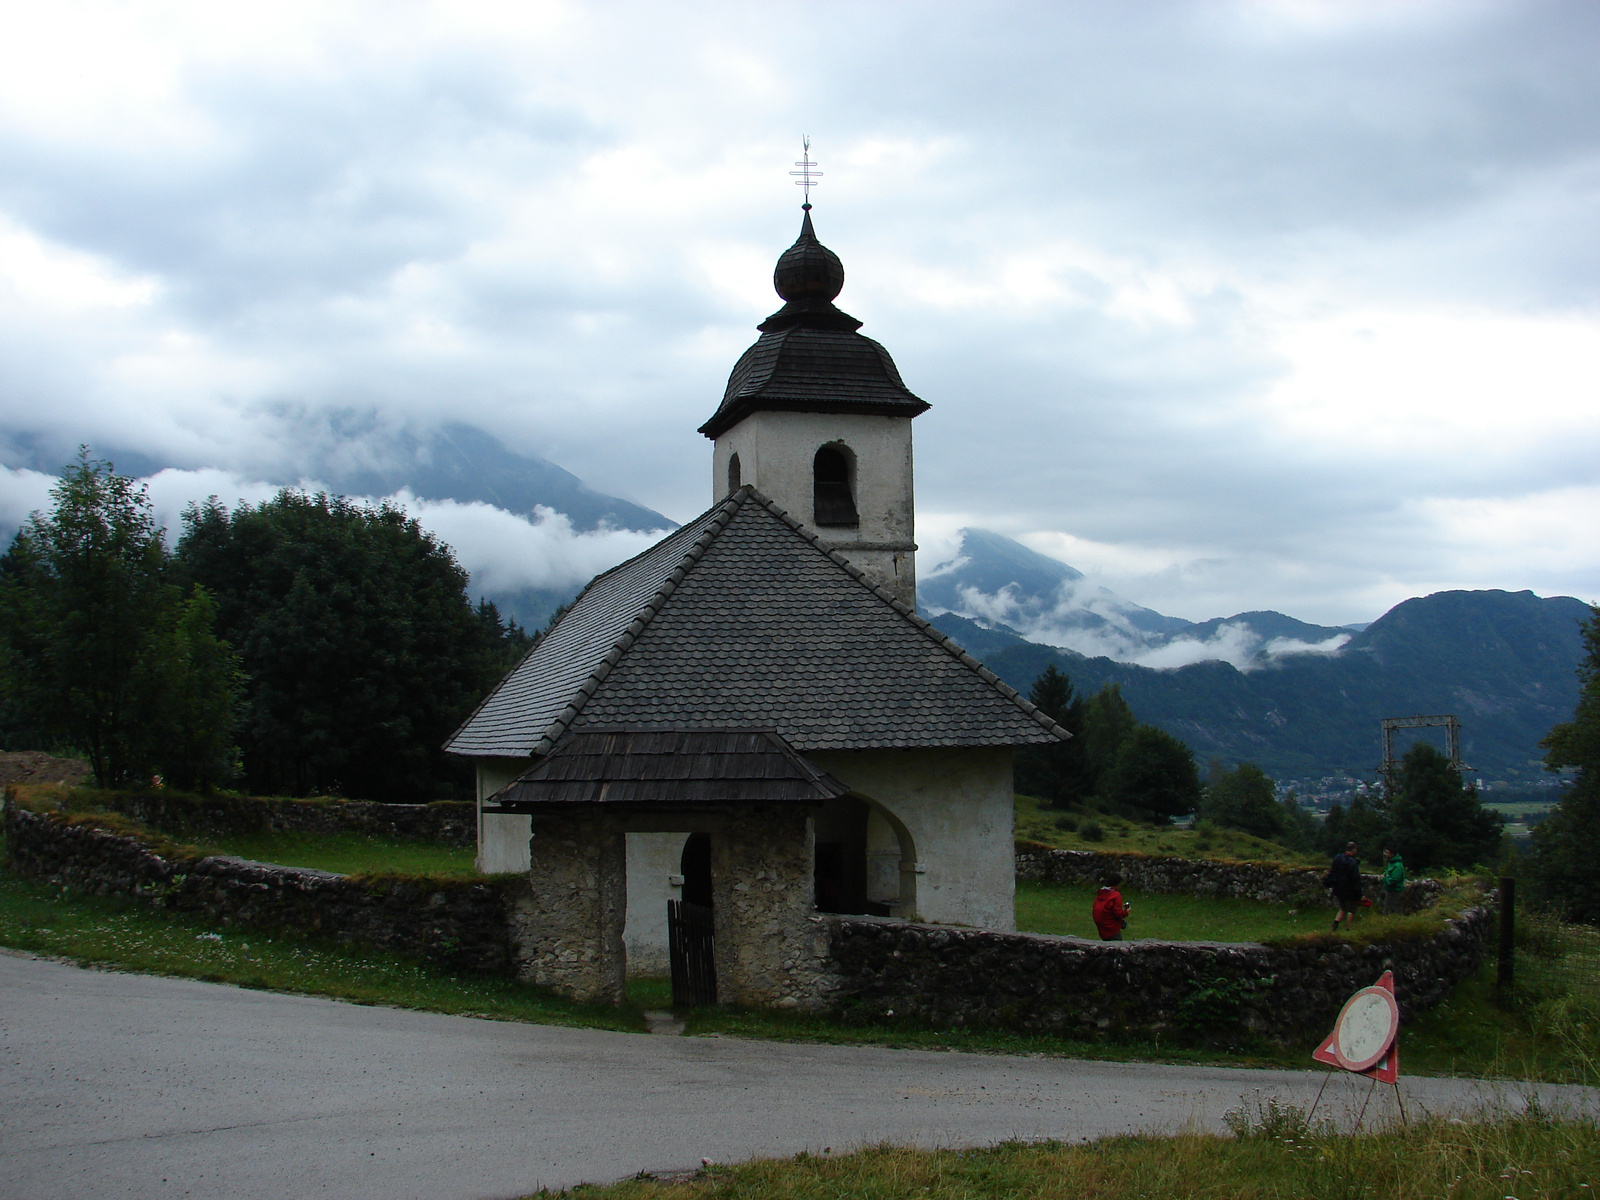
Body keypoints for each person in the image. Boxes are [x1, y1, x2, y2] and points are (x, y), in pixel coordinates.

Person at [1325, 842, 1363, 932]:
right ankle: (1348, 929)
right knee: (1351, 910)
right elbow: (1355, 879)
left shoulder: (1337, 858)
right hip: (1349, 890)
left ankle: (1335, 926)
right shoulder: (1352, 862)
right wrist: (1359, 893)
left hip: (1338, 888)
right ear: (1353, 850)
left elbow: (1332, 872)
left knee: (1342, 908)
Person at [1092, 872, 1131, 941]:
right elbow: (1118, 913)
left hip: (1102, 927)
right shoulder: (1115, 895)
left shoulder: (1101, 894)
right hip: (1112, 928)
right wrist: (1126, 912)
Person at [1381, 848, 1406, 914]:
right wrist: (1385, 874)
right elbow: (1388, 872)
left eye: (1387, 853)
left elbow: (1394, 880)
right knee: (1387, 909)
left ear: (1392, 854)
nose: (1385, 854)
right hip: (1390, 890)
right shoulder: (1391, 863)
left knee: (1395, 910)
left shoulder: (1397, 866)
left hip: (1395, 891)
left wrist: (1383, 879)